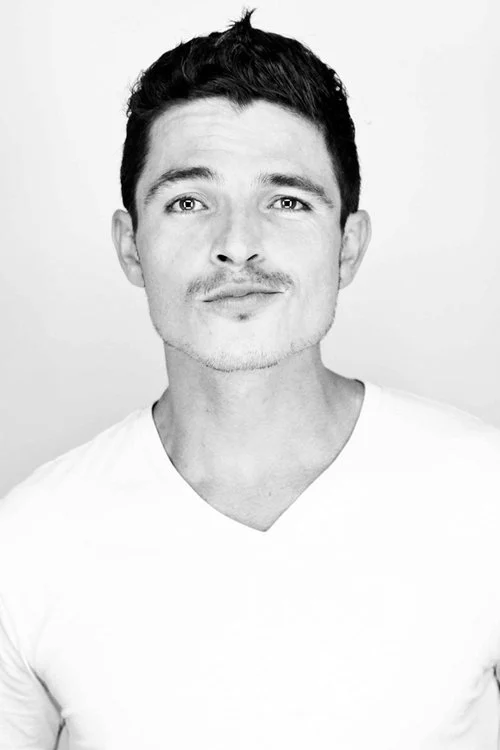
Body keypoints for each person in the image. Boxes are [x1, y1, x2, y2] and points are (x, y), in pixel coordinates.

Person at [1, 7, 499, 750]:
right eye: (188, 201)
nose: (237, 244)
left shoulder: (485, 496)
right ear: (131, 247)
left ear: (348, 247)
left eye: (287, 201)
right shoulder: (27, 546)